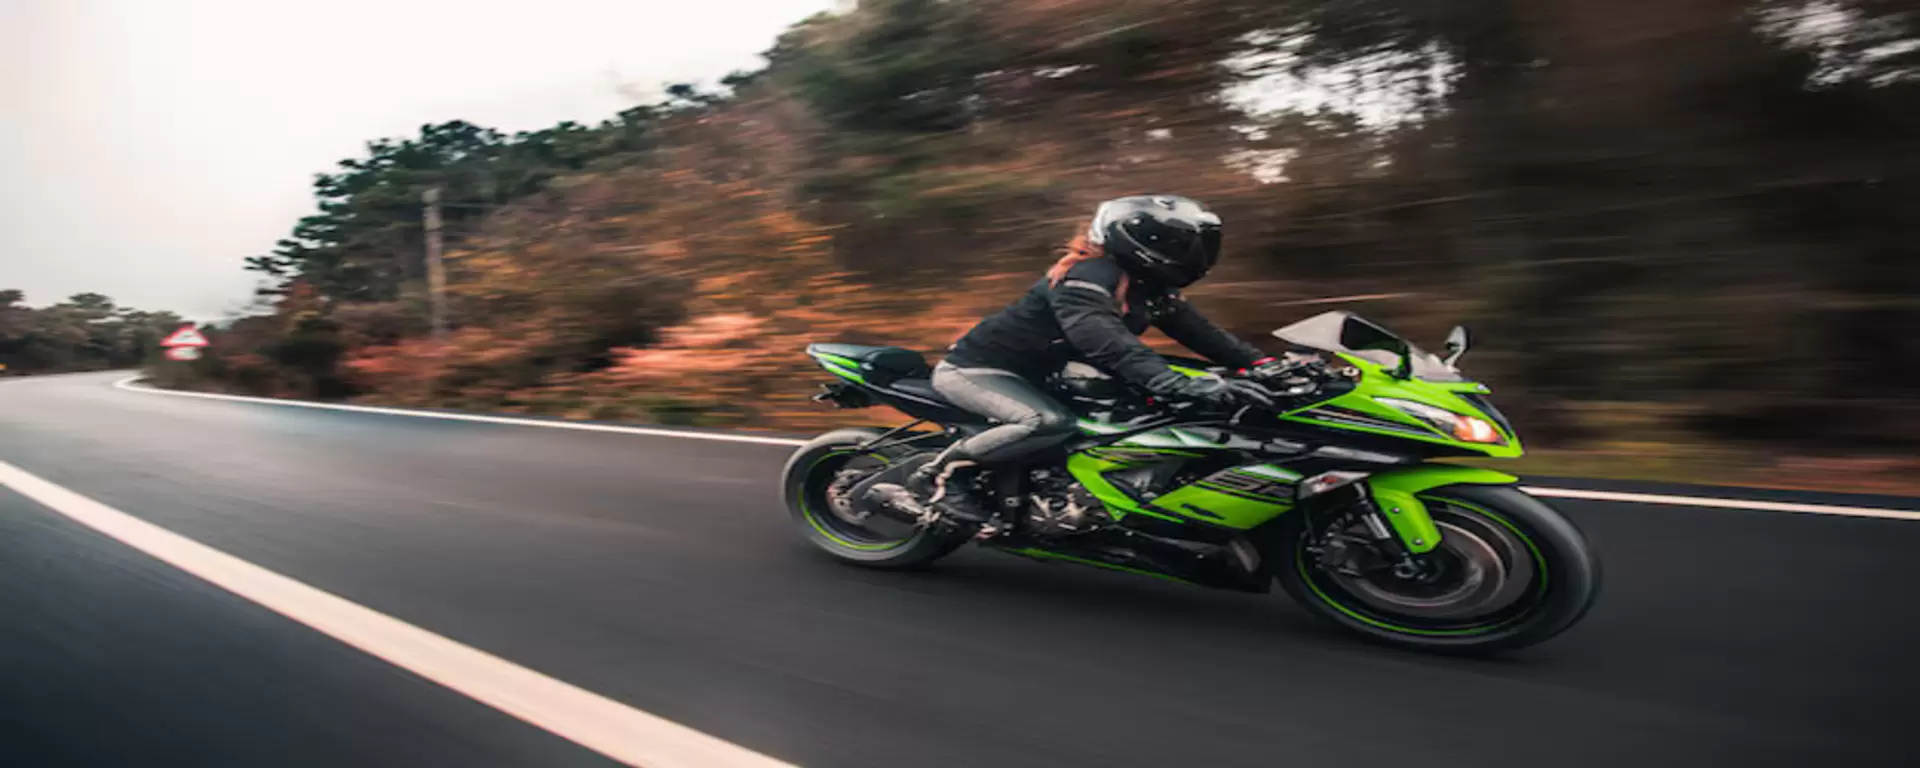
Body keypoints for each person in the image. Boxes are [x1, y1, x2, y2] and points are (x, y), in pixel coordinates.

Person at [913, 195, 1291, 524]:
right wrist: (1170, 380)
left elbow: (1203, 334)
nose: (1194, 253)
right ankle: (943, 477)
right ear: (1140, 242)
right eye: (1181, 243)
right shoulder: (1087, 274)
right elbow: (1101, 338)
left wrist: (1262, 366)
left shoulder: (1149, 287)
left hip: (1045, 376)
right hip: (978, 369)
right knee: (1045, 422)